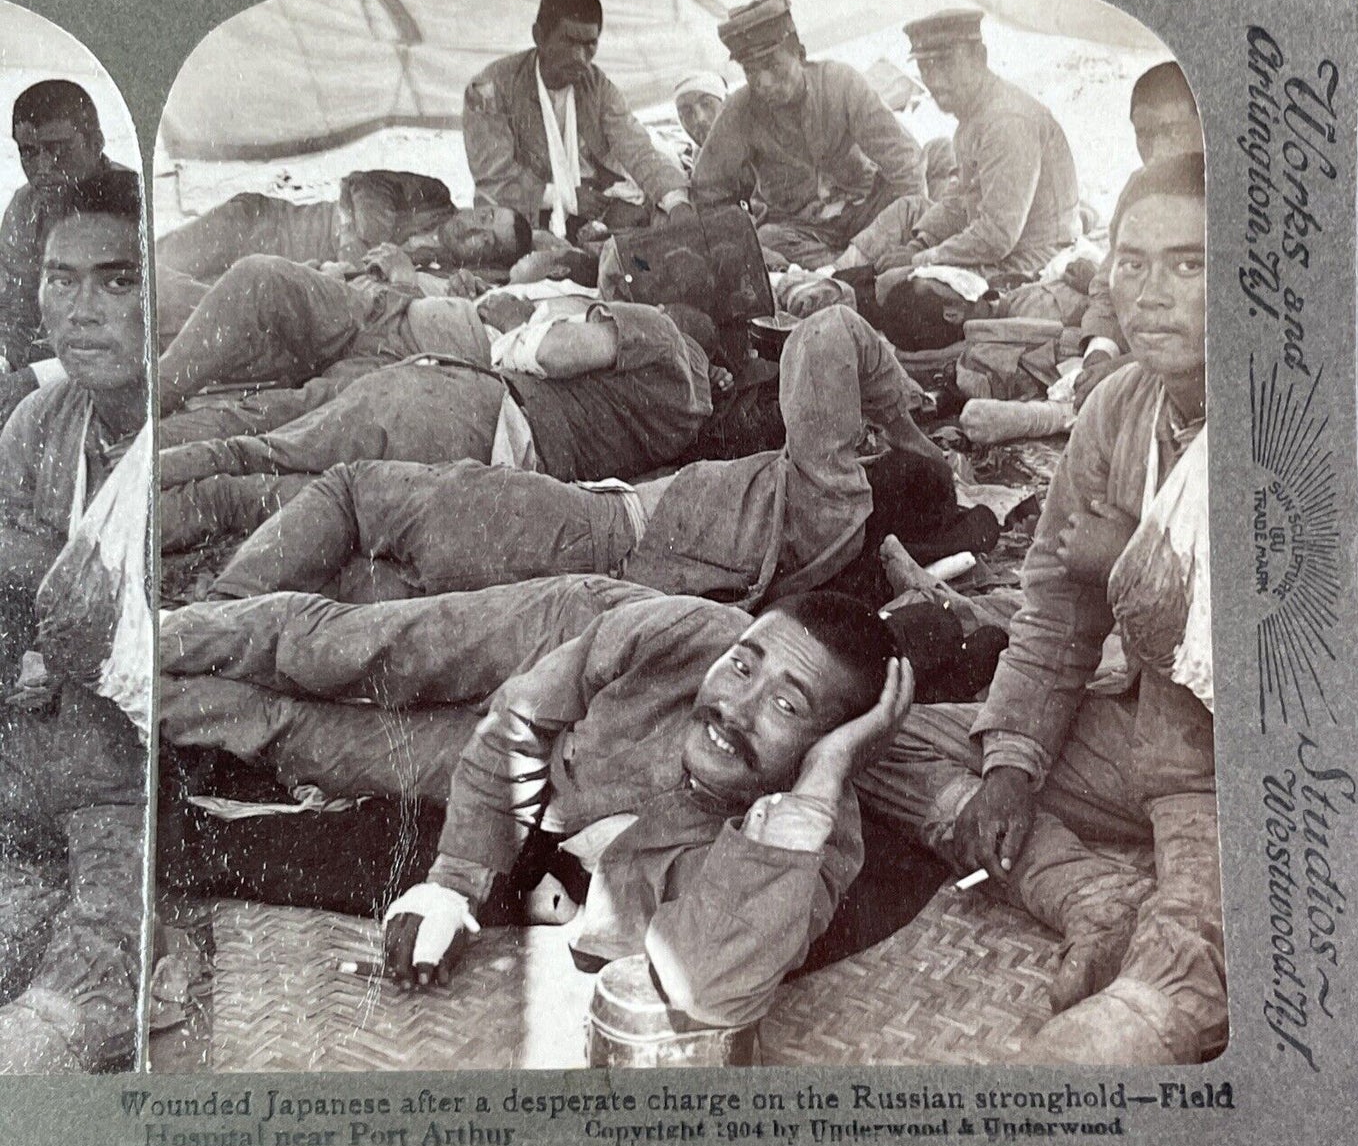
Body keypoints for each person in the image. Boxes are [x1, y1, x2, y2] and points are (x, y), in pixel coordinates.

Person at [161, 580, 910, 1027]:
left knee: (301, 738)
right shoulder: (677, 632)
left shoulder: (808, 850)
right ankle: (150, 636)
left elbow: (708, 990)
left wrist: (818, 787)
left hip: (550, 792)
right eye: (742, 664)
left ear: (832, 746)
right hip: (561, 658)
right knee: (344, 650)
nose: (732, 705)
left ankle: (137, 700)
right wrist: (455, 880)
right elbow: (520, 719)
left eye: (785, 703)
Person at [860, 153, 1222, 1066]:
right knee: (877, 734)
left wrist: (1132, 561)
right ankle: (1084, 893)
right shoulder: (1115, 408)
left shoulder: (1295, 421)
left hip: (1233, 767)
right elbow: (1055, 613)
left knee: (1177, 986)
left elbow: (1309, 665)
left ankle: (1166, 956)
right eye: (1131, 262)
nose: (1150, 294)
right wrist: (1012, 764)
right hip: (1128, 732)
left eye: (1189, 264)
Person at [173, 304, 999, 608]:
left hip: (572, 525)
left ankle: (193, 620)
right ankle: (203, 617)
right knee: (353, 577)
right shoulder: (826, 544)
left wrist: (907, 416)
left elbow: (830, 329)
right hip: (577, 578)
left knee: (341, 492)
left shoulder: (824, 487)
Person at [0, 169, 149, 1073]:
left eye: (118, 280)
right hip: (43, 747)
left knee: (84, 980)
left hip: (140, 767)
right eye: (62, 278)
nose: (81, 310)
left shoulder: (196, 424)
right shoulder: (40, 422)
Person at [158, 298, 715, 503]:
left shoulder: (663, 333)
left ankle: (143, 468)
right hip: (493, 467)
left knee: (263, 448)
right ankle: (159, 494)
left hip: (466, 407)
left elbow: (559, 352)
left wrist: (528, 331)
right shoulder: (685, 424)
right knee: (288, 491)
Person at [837, 8, 1080, 288]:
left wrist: (922, 260)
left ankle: (845, 287)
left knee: (907, 290)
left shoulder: (1007, 122)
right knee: (907, 213)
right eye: (925, 67)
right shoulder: (972, 116)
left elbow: (997, 235)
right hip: (999, 245)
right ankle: (833, 276)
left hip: (1033, 259)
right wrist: (920, 244)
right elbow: (958, 201)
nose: (935, 79)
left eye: (946, 63)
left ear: (980, 57)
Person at [154, 172, 528, 346]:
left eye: (488, 242)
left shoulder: (439, 276)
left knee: (180, 311)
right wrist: (368, 253)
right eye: (485, 218)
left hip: (286, 283)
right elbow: (365, 183)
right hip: (266, 227)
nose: (475, 231)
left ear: (486, 261)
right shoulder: (434, 195)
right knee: (147, 269)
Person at [690, 0, 925, 268]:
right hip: (800, 232)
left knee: (913, 206)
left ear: (799, 53)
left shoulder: (841, 82)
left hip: (868, 212)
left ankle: (843, 272)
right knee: (766, 240)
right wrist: (747, 242)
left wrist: (910, 236)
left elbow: (905, 162)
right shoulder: (739, 110)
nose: (763, 82)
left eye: (772, 65)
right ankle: (850, 270)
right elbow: (707, 191)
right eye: (750, 71)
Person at [463, 0, 693, 237]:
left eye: (590, 44)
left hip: (591, 204)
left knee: (650, 228)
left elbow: (637, 148)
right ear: (539, 35)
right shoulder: (489, 88)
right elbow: (494, 179)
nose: (580, 58)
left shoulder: (596, 85)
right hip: (519, 214)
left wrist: (677, 203)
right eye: (569, 42)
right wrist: (567, 197)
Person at [0, 80, 135, 427]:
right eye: (29, 152)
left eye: (58, 148)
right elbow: (13, 313)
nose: (43, 166)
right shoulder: (24, 207)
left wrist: (36, 378)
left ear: (96, 143)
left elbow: (139, 335)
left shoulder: (130, 206)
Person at [1074, 61, 1203, 406]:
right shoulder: (1140, 187)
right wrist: (1099, 352)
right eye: (1144, 134)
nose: (1157, 150)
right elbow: (1107, 283)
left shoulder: (1237, 197)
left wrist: (1128, 368)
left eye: (1172, 130)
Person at [671, 72, 729, 173]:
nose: (699, 118)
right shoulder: (699, 167)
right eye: (686, 112)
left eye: (706, 104)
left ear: (727, 103)